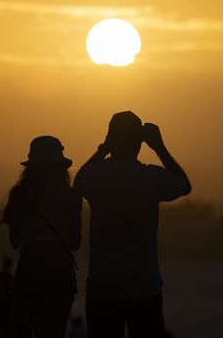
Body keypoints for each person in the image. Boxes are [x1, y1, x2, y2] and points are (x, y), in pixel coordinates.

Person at [73, 111, 192, 338]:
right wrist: (159, 147)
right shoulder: (151, 177)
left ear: (111, 138)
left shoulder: (97, 177)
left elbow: (79, 182)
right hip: (143, 287)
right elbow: (184, 185)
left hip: (102, 287)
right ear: (139, 143)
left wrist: (104, 147)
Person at [1, 135, 82, 338]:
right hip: (60, 271)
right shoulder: (72, 196)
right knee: (54, 331)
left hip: (29, 269)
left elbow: (15, 241)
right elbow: (75, 242)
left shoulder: (19, 195)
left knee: (22, 330)